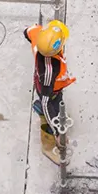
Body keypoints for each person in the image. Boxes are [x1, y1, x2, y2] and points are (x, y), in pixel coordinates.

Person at [25, 19, 75, 164]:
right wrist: (58, 131)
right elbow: (46, 102)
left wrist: (30, 31)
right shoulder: (49, 71)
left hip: (53, 89)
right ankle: (48, 145)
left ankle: (57, 126)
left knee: (58, 109)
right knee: (48, 115)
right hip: (48, 93)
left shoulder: (39, 38)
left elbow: (29, 31)